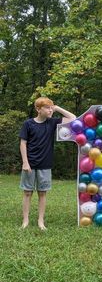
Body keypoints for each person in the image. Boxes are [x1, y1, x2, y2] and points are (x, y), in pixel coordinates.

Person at [19, 97, 76, 230]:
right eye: (47, 107)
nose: (50, 110)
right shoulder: (28, 124)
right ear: (38, 109)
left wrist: (57, 108)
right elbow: (23, 143)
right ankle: (25, 220)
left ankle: (40, 221)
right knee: (27, 192)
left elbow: (73, 118)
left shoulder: (53, 123)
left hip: (45, 164)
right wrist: (25, 163)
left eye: (51, 107)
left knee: (42, 193)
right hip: (30, 164)